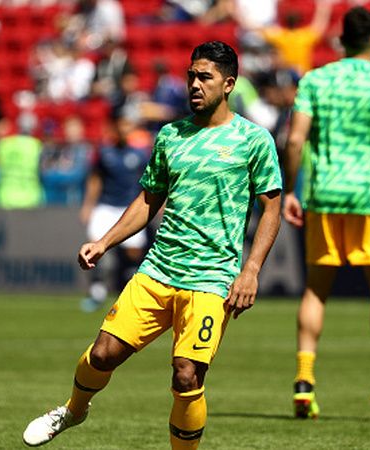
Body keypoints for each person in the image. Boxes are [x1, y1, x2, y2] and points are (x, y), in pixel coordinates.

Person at [22, 41, 282, 448]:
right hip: (159, 269)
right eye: (191, 75)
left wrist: (250, 271)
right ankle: (73, 410)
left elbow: (271, 210)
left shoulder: (254, 140)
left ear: (229, 84)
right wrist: (104, 242)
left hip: (212, 279)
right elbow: (148, 200)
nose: (194, 84)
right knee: (104, 354)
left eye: (205, 77)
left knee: (186, 375)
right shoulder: (170, 136)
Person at [281, 7, 370, 420]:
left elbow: (294, 139)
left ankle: (304, 383)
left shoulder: (315, 79)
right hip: (369, 197)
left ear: (341, 40)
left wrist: (290, 189)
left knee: (316, 291)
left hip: (322, 197)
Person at [78, 115, 150, 312]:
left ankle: (129, 294)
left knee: (133, 254)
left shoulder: (140, 155)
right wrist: (88, 205)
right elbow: (95, 180)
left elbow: (152, 184)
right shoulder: (104, 153)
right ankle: (97, 292)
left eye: (129, 125)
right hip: (106, 206)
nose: (126, 129)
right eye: (123, 125)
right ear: (116, 128)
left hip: (130, 209)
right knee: (95, 248)